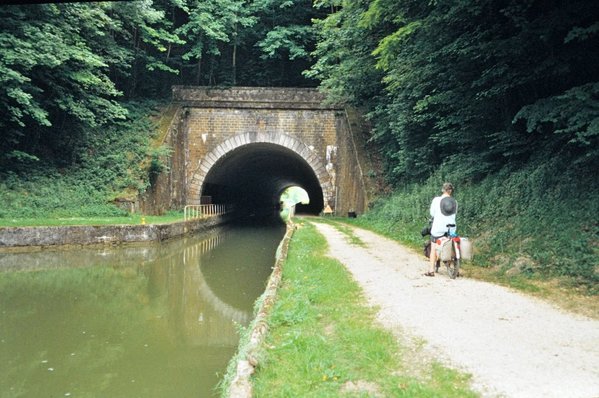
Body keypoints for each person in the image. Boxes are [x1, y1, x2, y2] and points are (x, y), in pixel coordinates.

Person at [424, 182, 458, 276]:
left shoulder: (436, 200)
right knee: (450, 243)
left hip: (438, 228)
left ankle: (431, 270)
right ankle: (454, 266)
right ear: (451, 191)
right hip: (451, 228)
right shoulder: (454, 202)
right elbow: (454, 215)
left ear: (442, 190)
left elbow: (432, 213)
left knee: (434, 246)